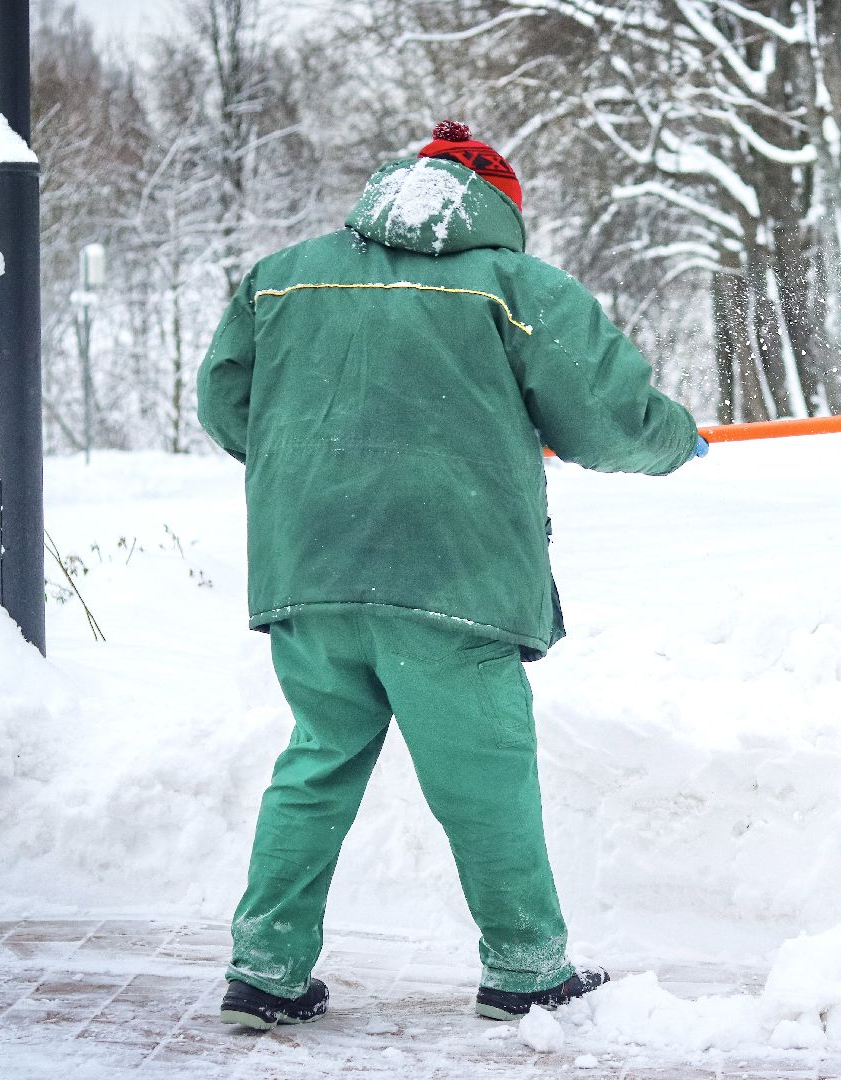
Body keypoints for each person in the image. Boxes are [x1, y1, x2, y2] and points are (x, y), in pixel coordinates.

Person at [196, 119, 706, 1030]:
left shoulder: (282, 276)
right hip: (451, 577)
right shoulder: (513, 287)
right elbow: (610, 419)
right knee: (485, 779)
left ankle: (265, 970)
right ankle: (525, 970)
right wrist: (679, 441)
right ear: (499, 209)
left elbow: (227, 402)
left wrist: (313, 465)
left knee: (317, 764)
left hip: (308, 573)